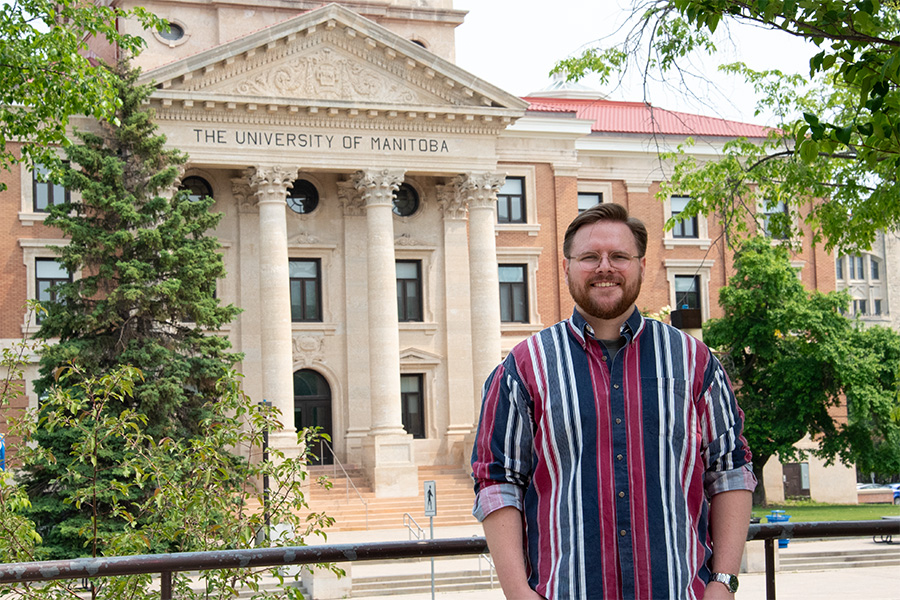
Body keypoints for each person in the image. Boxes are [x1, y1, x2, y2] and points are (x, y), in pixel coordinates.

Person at [471, 203, 756, 599]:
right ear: (567, 266)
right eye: (589, 257)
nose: (605, 267)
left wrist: (723, 582)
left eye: (619, 256)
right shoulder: (523, 367)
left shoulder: (695, 362)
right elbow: (497, 480)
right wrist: (518, 593)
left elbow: (730, 470)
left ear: (640, 265)